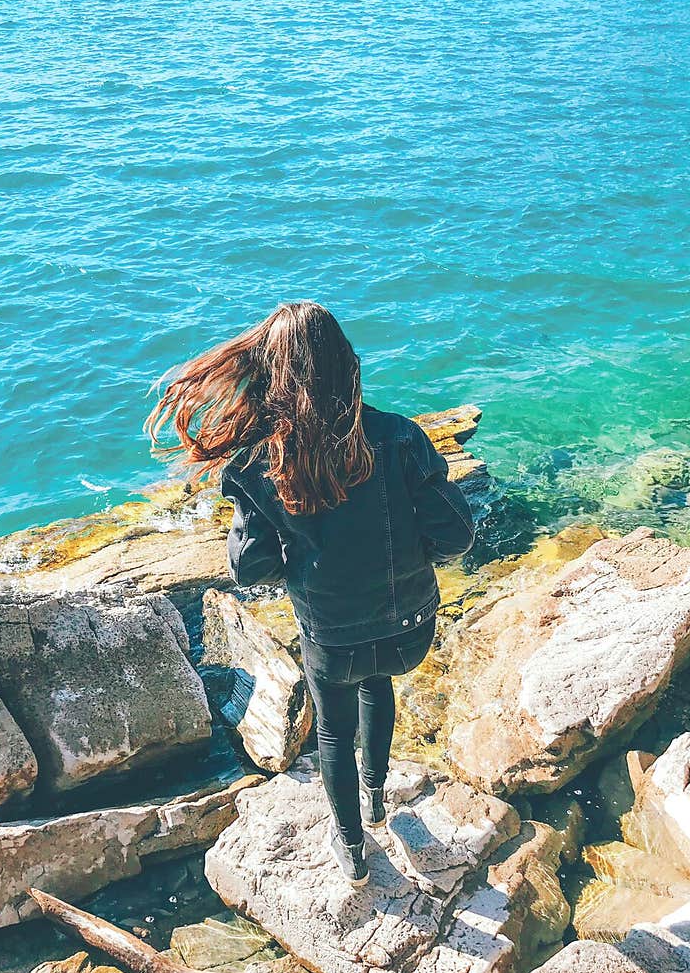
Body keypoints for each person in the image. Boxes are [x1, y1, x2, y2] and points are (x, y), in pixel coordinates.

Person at [146, 301, 475, 886]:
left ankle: (351, 847)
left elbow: (253, 571)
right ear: (348, 364)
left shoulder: (255, 463)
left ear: (272, 376)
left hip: (332, 639)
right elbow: (456, 534)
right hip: (410, 633)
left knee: (331, 726)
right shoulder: (401, 436)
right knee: (378, 682)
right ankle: (376, 798)